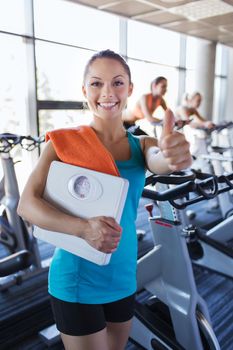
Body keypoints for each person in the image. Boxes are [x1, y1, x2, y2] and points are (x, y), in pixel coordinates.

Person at [17, 50, 192, 350]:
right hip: (76, 279)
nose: (107, 93)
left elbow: (159, 159)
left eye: (118, 83)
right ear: (84, 91)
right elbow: (27, 205)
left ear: (130, 90)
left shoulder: (143, 144)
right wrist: (83, 229)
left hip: (123, 274)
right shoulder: (63, 142)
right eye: (96, 83)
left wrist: (172, 156)